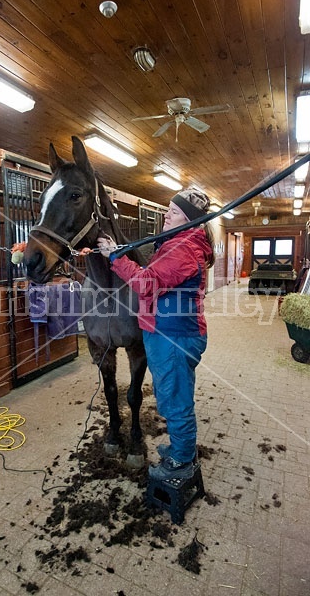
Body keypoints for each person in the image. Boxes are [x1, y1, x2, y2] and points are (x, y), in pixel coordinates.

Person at [98, 189, 215, 481]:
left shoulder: (184, 248)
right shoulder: (175, 244)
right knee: (170, 397)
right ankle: (180, 450)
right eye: (168, 208)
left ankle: (182, 463)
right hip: (166, 332)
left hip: (174, 336)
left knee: (176, 403)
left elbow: (147, 283)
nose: (166, 214)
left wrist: (115, 257)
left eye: (174, 212)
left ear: (188, 221)